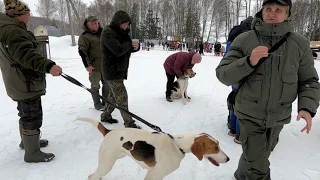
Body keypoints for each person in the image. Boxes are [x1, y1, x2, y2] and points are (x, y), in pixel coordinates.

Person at [216, 0, 320, 179]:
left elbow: (309, 80)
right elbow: (223, 74)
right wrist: (249, 61)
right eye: (268, 9)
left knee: (259, 155)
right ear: (262, 11)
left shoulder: (299, 43)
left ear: (287, 14)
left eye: (278, 9)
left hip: (279, 116)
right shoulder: (245, 39)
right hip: (249, 114)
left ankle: (241, 175)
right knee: (259, 168)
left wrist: (306, 107)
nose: (272, 13)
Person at [0, 0, 63, 163]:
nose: (30, 16)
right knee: (32, 115)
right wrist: (49, 66)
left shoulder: (8, 28)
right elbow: (26, 55)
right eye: (28, 13)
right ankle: (32, 152)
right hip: (24, 80)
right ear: (19, 16)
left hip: (18, 79)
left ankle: (28, 143)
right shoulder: (14, 31)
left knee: (25, 112)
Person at [100, 10, 140, 128]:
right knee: (122, 98)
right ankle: (129, 123)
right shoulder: (108, 32)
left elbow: (126, 49)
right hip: (112, 70)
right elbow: (117, 50)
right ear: (118, 22)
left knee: (113, 97)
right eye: (125, 23)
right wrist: (129, 45)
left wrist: (135, 47)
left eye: (128, 24)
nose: (126, 26)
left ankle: (105, 116)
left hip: (119, 70)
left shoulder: (123, 32)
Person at [225, 16, 253, 144]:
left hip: (231, 72)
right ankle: (240, 134)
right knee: (244, 104)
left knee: (234, 99)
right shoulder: (248, 38)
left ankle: (232, 127)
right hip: (244, 74)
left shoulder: (232, 37)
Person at [78, 16, 107, 111]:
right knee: (95, 86)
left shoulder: (104, 33)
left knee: (107, 85)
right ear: (87, 25)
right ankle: (98, 105)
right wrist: (87, 65)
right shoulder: (85, 36)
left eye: (96, 23)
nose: (95, 25)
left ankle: (106, 103)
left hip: (106, 64)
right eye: (92, 23)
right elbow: (82, 51)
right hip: (94, 66)